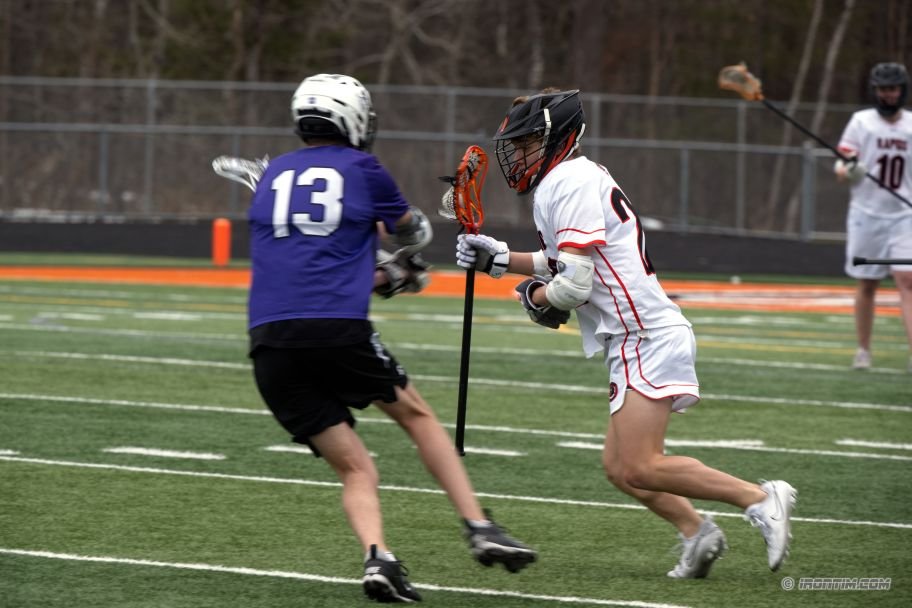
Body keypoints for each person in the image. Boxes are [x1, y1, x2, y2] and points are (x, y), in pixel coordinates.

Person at [455, 88, 797, 579]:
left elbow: (573, 285)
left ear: (558, 138)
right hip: (634, 334)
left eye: (528, 143)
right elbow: (563, 261)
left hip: (643, 333)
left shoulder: (568, 180)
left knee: (641, 466)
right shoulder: (569, 179)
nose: (520, 154)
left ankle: (761, 498)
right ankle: (697, 531)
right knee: (620, 468)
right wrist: (500, 259)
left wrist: (537, 298)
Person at [246, 73, 536, 603]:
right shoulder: (363, 168)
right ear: (353, 119)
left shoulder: (274, 175)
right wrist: (402, 264)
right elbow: (411, 232)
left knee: (356, 466)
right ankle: (479, 525)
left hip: (268, 341)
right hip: (336, 328)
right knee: (417, 415)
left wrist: (382, 273)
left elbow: (307, 260)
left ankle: (378, 558)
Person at [834, 62, 912, 373]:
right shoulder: (861, 122)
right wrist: (849, 170)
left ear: (902, 91)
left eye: (892, 89)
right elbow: (842, 166)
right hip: (866, 215)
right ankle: (863, 350)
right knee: (867, 282)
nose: (887, 95)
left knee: (907, 281)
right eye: (883, 89)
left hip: (904, 215)